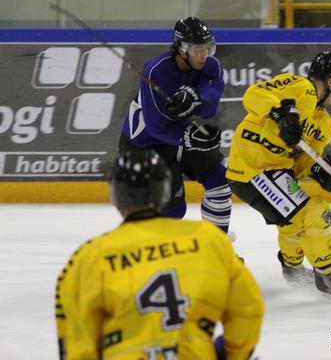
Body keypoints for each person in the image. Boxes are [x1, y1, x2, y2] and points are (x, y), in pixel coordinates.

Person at [55, 149, 264, 359]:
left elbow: (76, 342)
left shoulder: (89, 256)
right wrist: (228, 353)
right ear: (165, 189)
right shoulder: (208, 239)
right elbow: (248, 308)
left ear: (115, 195)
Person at [225, 51, 331, 299]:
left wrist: (322, 172)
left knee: (293, 220)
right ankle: (326, 276)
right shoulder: (300, 88)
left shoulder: (324, 124)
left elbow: (302, 163)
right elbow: (253, 94)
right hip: (250, 168)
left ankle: (293, 269)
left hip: (275, 171)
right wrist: (280, 112)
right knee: (318, 213)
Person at [120, 16, 232, 233]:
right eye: (197, 49)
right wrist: (189, 137)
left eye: (207, 47)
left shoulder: (211, 66)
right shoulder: (156, 72)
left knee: (220, 180)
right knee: (173, 211)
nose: (204, 54)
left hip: (178, 136)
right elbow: (155, 128)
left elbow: (209, 106)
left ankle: (217, 249)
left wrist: (196, 98)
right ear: (181, 49)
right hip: (144, 146)